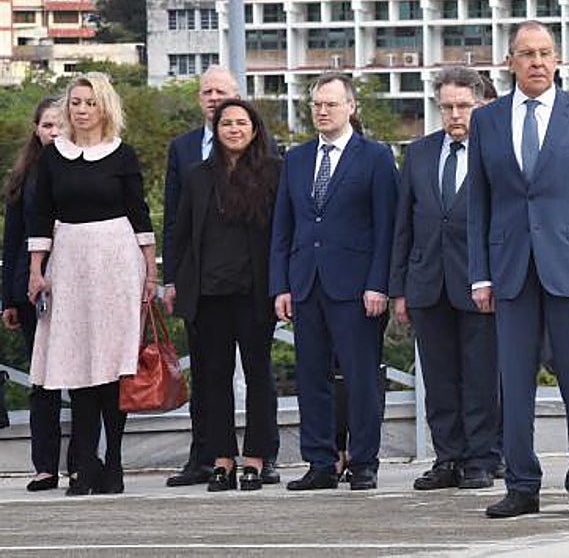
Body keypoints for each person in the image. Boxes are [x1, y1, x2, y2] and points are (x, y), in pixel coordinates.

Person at [468, 20, 569, 519]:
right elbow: (479, 202)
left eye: (545, 53)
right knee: (514, 383)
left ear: (557, 60)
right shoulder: (487, 119)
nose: (537, 61)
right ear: (510, 61)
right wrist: (481, 273)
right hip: (511, 267)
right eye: (527, 53)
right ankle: (521, 484)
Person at [26, 73, 158, 495]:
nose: (82, 110)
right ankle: (84, 466)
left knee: (113, 367)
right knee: (78, 365)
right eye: (76, 102)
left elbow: (140, 215)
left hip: (118, 261)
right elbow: (40, 214)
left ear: (105, 107)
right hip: (69, 262)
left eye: (90, 102)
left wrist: (150, 270)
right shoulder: (53, 157)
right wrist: (36, 269)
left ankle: (114, 464)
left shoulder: (123, 154)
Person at [271, 72, 398, 491]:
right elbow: (283, 228)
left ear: (351, 107)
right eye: (316, 105)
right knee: (311, 377)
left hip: (358, 288)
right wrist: (282, 286)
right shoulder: (297, 159)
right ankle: (320, 461)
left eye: (331, 103)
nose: (322, 111)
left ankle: (363, 461)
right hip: (307, 284)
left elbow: (387, 228)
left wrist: (379, 283)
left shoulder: (375, 157)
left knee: (361, 378)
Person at [162, 66, 282, 485]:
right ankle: (222, 459)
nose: (233, 129)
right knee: (213, 380)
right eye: (226, 122)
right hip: (207, 292)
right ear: (216, 126)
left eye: (241, 122)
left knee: (258, 375)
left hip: (254, 292)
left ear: (254, 129)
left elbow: (282, 233)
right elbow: (179, 231)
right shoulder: (198, 175)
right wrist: (173, 279)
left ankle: (257, 458)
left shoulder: (273, 171)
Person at [392, 67, 500, 491]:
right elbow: (404, 223)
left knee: (480, 376)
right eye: (447, 107)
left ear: (479, 105)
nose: (455, 115)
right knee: (437, 379)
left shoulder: (494, 152)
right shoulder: (418, 153)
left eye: (463, 106)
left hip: (477, 282)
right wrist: (398, 287)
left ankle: (481, 458)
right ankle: (447, 458)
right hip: (426, 282)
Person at [2, 98, 76, 491]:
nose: (54, 132)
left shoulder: (82, 170)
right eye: (48, 125)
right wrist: (9, 300)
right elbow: (11, 241)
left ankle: (81, 462)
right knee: (42, 381)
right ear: (36, 129)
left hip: (79, 284)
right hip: (33, 292)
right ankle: (45, 466)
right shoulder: (24, 178)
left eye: (60, 125)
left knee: (82, 378)